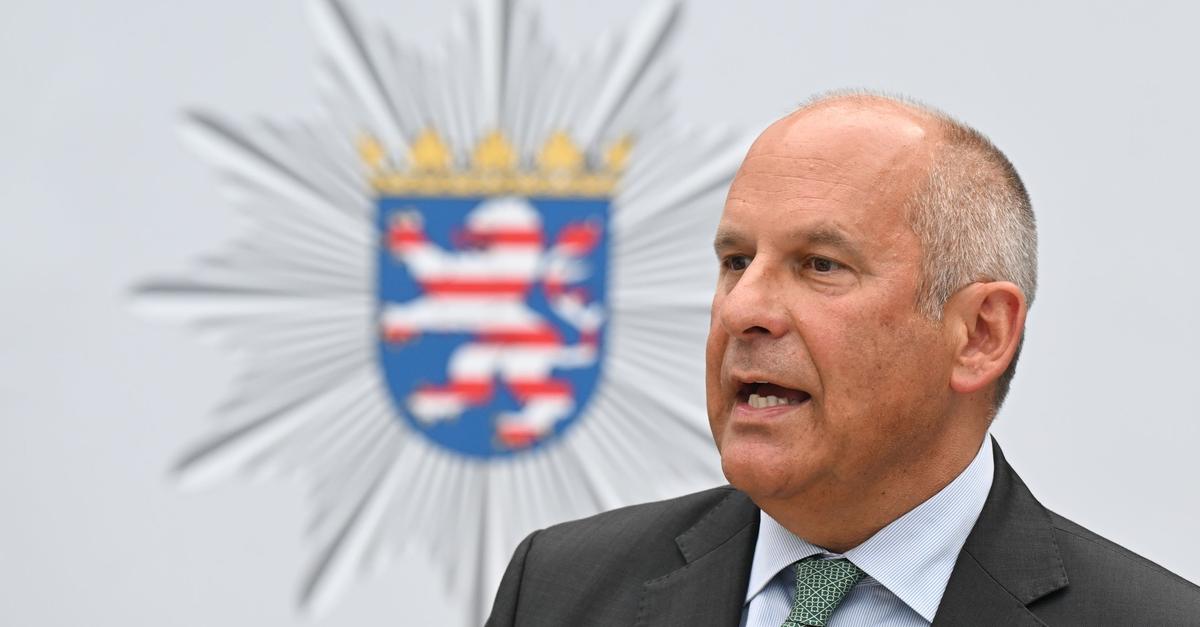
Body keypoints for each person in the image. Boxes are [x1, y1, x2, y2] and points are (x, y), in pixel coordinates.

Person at [485, 92, 1200, 626]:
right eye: (736, 260)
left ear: (981, 334)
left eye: (821, 265)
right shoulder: (556, 590)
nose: (741, 309)